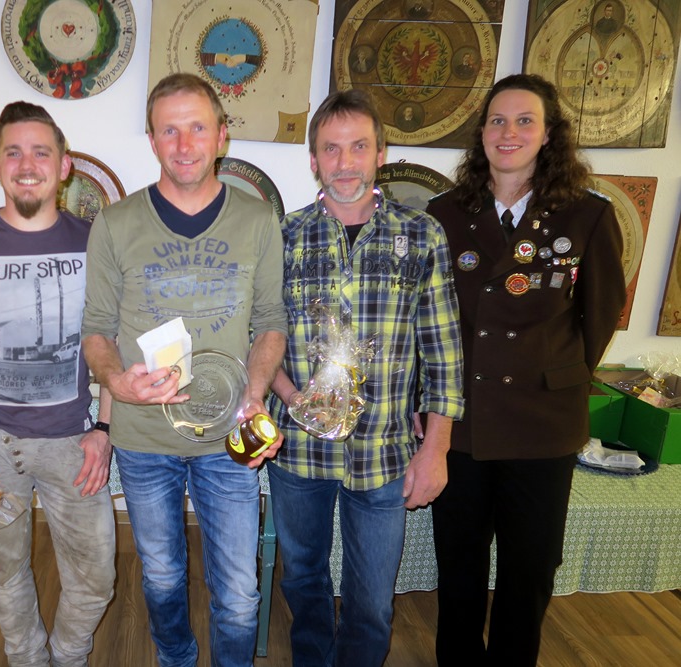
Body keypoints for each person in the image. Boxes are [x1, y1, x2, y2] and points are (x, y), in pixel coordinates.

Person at [80, 72, 288, 667]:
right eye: (169, 130)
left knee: (240, 595)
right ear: (151, 140)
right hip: (144, 439)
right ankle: (175, 658)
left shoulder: (257, 220)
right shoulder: (115, 224)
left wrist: (254, 394)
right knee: (163, 576)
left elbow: (271, 321)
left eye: (197, 127)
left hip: (229, 436)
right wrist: (115, 381)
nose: (184, 143)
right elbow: (96, 330)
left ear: (222, 135)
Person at [425, 73, 626, 665]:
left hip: (543, 422)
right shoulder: (444, 214)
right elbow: (425, 323)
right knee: (459, 564)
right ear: (482, 133)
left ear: (548, 134)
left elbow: (599, 317)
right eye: (497, 120)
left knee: (531, 567)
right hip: (463, 420)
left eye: (524, 120)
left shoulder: (586, 217)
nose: (508, 132)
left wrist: (551, 372)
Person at [266, 89, 465, 667]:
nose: (345, 162)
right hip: (298, 449)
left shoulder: (421, 236)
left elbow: (443, 350)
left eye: (359, 146)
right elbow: (259, 334)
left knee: (373, 600)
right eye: (331, 149)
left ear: (380, 152)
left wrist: (436, 449)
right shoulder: (283, 236)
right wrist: (291, 397)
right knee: (303, 581)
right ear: (313, 160)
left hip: (384, 451)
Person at [0, 101, 115, 667]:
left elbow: (111, 343)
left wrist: (105, 429)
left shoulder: (96, 241)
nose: (27, 165)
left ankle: (69, 655)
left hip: (72, 441)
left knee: (97, 575)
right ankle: (27, 659)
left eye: (40, 152)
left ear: (64, 166)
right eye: (13, 153)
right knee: (5, 571)